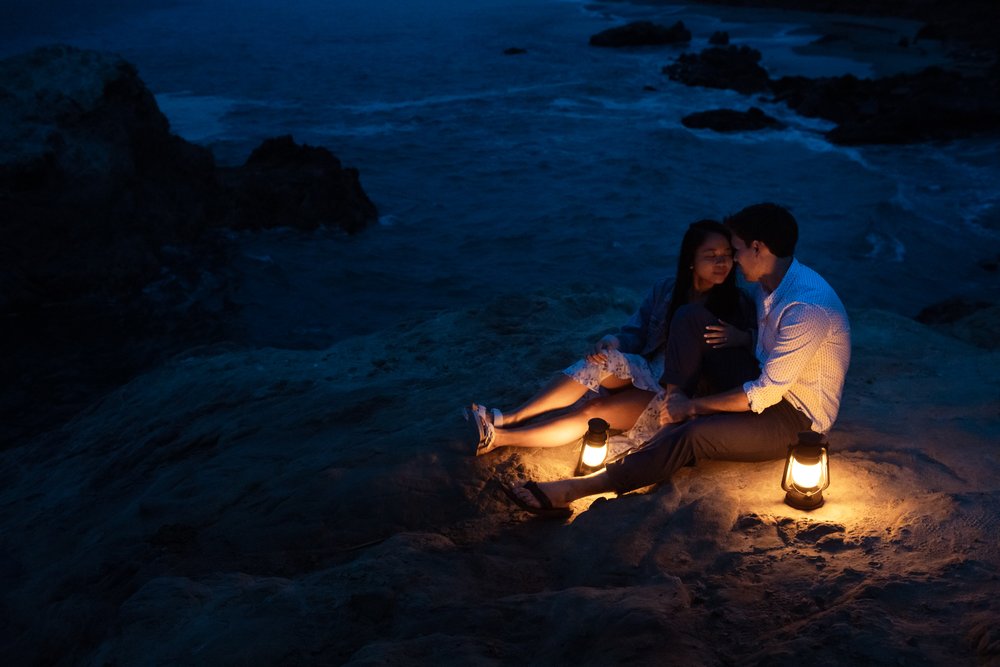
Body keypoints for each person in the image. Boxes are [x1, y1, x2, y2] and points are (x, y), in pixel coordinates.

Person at [502, 202, 851, 518]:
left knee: (693, 433)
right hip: (759, 377)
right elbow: (761, 353)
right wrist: (686, 393)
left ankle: (571, 490)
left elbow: (764, 394)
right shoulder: (769, 283)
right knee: (689, 316)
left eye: (738, 250)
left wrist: (695, 408)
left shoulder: (806, 307)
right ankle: (671, 407)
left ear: (758, 248)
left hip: (792, 419)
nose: (733, 260)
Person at [466, 219, 756, 458]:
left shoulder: (737, 303)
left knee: (591, 412)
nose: (722, 263)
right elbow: (635, 332)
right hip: (645, 367)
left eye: (728, 255)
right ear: (691, 260)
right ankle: (508, 416)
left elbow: (754, 356)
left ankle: (499, 437)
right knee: (598, 361)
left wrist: (743, 337)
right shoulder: (667, 290)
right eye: (711, 255)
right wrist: (612, 343)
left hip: (674, 391)